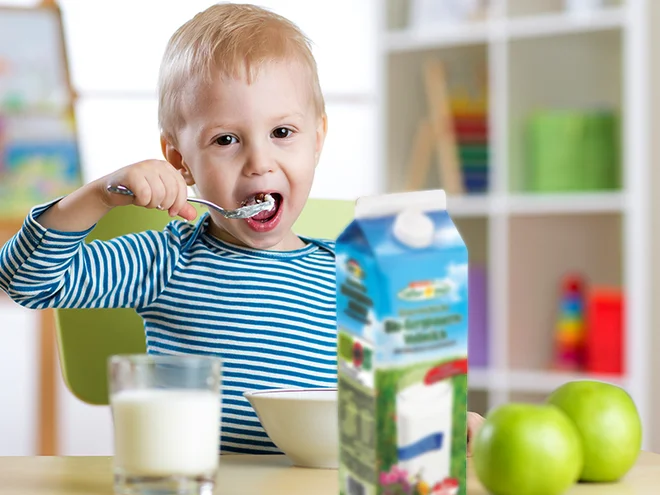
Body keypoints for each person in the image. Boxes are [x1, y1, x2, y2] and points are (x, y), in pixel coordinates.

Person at [0, 2, 483, 455]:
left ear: (316, 140)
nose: (259, 163)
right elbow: (24, 282)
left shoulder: (357, 274)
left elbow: (398, 406)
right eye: (226, 139)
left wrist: (446, 422)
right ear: (179, 160)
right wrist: (99, 195)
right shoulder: (164, 261)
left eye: (282, 133)